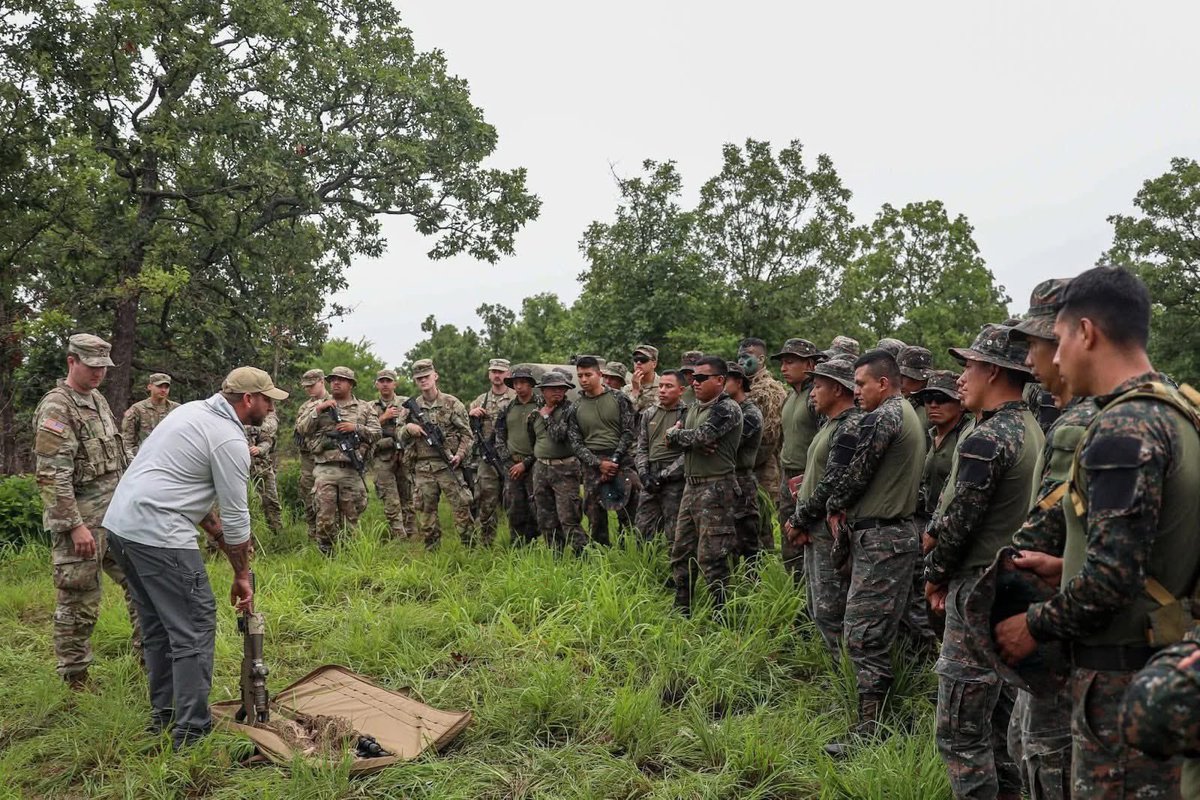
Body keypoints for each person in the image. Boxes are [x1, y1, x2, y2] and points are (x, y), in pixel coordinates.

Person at [994, 267, 1198, 799]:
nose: (1054, 358)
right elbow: (1159, 548)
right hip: (1163, 669)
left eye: (1058, 339)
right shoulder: (1178, 410)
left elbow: (1112, 581)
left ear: (1086, 333)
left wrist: (1032, 624)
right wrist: (1066, 565)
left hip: (1122, 683)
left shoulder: (1123, 429)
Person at [104, 366, 286, 749]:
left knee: (158, 628)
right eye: (267, 399)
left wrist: (216, 536)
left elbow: (182, 485)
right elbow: (237, 517)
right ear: (248, 399)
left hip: (122, 529)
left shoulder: (190, 412)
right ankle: (191, 734)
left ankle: (165, 717)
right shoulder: (228, 439)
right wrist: (241, 574)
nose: (271, 407)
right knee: (194, 626)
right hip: (159, 535)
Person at [920, 323, 1044, 798]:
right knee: (998, 725)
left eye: (968, 366)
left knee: (959, 731)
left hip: (976, 588)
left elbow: (960, 523)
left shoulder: (988, 437)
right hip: (1010, 586)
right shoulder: (1030, 428)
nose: (960, 377)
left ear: (993, 371)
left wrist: (935, 576)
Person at [1003, 277, 1094, 800]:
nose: (1030, 359)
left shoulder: (1082, 423)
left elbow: (1045, 529)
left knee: (1047, 753)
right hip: (1068, 601)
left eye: (1037, 343)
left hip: (1066, 619)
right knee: (1029, 745)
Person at [822, 349, 925, 758]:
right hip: (890, 535)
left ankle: (871, 729)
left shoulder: (884, 416)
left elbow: (856, 473)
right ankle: (888, 715)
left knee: (864, 635)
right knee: (883, 630)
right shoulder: (906, 412)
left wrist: (833, 503)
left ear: (883, 383)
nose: (856, 391)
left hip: (883, 538)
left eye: (861, 384)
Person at [34, 333, 141, 689]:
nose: (98, 373)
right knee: (79, 602)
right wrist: (74, 526)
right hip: (82, 526)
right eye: (92, 366)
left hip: (115, 520)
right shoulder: (57, 407)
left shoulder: (97, 400)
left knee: (141, 585)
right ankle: (74, 680)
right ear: (72, 361)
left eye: (103, 367)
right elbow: (51, 475)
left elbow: (116, 459)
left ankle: (149, 659)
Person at [783, 356, 861, 658]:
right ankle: (834, 669)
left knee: (832, 610)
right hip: (815, 525)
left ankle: (845, 675)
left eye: (818, 386)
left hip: (827, 529)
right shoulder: (831, 424)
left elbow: (833, 483)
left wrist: (799, 519)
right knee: (818, 605)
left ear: (838, 389)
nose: (812, 393)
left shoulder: (850, 427)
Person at [667, 356, 743, 615]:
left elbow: (703, 435)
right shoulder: (693, 409)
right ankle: (682, 609)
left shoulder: (727, 408)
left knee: (713, 556)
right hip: (691, 487)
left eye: (701, 378)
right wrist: (684, 439)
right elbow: (681, 440)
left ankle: (722, 615)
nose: (694, 382)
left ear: (720, 380)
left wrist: (680, 436)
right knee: (681, 551)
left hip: (716, 488)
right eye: (693, 378)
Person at [294, 366, 379, 553]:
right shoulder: (317, 405)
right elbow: (301, 430)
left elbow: (376, 433)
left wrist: (355, 428)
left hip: (351, 469)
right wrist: (318, 410)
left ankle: (350, 556)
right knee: (325, 517)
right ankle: (327, 555)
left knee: (351, 518)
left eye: (341, 380)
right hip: (325, 469)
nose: (336, 383)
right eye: (332, 380)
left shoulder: (364, 408)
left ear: (351, 384)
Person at [400, 359, 475, 549]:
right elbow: (398, 434)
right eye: (419, 378)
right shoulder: (410, 407)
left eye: (426, 376)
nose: (423, 380)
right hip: (423, 466)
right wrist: (408, 428)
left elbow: (467, 434)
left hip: (449, 465)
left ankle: (471, 549)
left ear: (435, 376)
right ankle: (432, 551)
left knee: (462, 508)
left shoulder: (452, 403)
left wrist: (460, 455)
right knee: (426, 512)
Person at [567, 355, 637, 545]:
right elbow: (576, 443)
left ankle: (630, 552)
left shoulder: (619, 398)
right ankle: (601, 553)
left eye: (588, 375)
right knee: (594, 516)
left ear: (599, 374)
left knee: (629, 513)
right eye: (580, 375)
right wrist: (598, 464)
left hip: (621, 460)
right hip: (592, 464)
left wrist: (614, 460)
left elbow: (629, 431)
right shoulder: (575, 407)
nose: (583, 379)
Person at [772, 337, 823, 581]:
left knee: (810, 538)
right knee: (789, 539)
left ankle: (810, 595)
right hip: (787, 476)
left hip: (809, 478)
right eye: (782, 362)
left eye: (790, 362)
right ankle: (794, 592)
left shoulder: (816, 397)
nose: (783, 368)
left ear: (810, 364)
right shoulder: (790, 396)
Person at [528, 370, 587, 553]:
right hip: (541, 468)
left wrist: (546, 416)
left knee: (569, 517)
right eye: (552, 388)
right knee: (545, 517)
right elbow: (532, 439)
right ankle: (555, 557)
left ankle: (583, 556)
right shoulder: (535, 413)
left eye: (561, 388)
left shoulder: (570, 410)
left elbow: (559, 435)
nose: (558, 391)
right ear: (542, 391)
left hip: (565, 468)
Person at [737, 338, 788, 536]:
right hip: (743, 468)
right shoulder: (741, 387)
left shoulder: (770, 390)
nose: (741, 361)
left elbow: (769, 437)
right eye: (739, 357)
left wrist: (744, 462)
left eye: (747, 356)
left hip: (763, 469)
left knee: (761, 526)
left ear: (761, 359)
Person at [634, 370, 686, 542]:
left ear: (681, 390)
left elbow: (688, 454)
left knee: (674, 531)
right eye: (661, 385)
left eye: (669, 386)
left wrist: (665, 475)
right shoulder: (649, 413)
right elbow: (642, 447)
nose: (662, 390)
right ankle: (644, 558)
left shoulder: (687, 414)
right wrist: (644, 474)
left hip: (675, 479)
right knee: (642, 528)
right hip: (650, 475)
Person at [469, 359, 516, 547]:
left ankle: (518, 543)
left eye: (501, 372)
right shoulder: (480, 401)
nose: (497, 375)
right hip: (488, 459)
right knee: (486, 502)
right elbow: (468, 430)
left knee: (515, 502)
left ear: (508, 374)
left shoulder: (515, 397)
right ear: (489, 374)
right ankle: (486, 544)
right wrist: (472, 415)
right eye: (494, 371)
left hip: (512, 457)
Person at [494, 364, 541, 545]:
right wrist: (508, 462)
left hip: (536, 464)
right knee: (514, 506)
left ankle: (540, 542)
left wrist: (526, 463)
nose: (519, 386)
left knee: (537, 505)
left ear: (530, 384)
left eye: (522, 382)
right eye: (515, 383)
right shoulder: (507, 408)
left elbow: (544, 441)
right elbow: (499, 436)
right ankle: (518, 544)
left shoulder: (541, 406)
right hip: (512, 466)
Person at [724, 361, 763, 563]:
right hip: (725, 480)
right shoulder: (724, 409)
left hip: (742, 481)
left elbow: (727, 445)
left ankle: (751, 581)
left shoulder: (750, 413)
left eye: (725, 379)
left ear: (738, 383)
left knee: (747, 540)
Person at [372, 368, 414, 539]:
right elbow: (364, 430)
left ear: (394, 384)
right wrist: (383, 417)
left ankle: (411, 533)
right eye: (381, 381)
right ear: (376, 384)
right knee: (390, 499)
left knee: (408, 496)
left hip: (404, 455)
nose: (385, 384)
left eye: (388, 381)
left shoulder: (406, 403)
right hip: (382, 457)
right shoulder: (370, 407)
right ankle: (398, 536)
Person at [293, 369, 327, 539]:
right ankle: (313, 533)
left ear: (322, 381)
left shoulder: (335, 401)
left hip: (329, 458)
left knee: (328, 496)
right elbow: (300, 430)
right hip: (309, 459)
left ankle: (330, 534)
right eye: (306, 386)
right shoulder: (305, 407)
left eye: (312, 385)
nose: (309, 389)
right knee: (308, 495)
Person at [121, 373, 179, 462]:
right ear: (150, 387)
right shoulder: (137, 409)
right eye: (159, 386)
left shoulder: (177, 409)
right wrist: (132, 461)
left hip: (170, 459)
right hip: (144, 459)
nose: (163, 390)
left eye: (166, 387)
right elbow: (127, 441)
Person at [244, 410, 282, 535]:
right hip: (234, 471)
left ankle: (278, 536)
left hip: (260, 468)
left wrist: (260, 449)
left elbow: (267, 439)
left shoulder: (256, 416)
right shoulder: (224, 418)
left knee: (271, 504)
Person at [897, 346, 934, 441]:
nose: (899, 382)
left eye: (904, 376)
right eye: (898, 375)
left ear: (922, 379)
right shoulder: (903, 403)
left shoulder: (934, 408)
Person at [627, 344, 661, 413]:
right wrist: (635, 391)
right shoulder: (627, 388)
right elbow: (626, 414)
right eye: (636, 359)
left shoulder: (663, 386)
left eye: (643, 359)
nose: (638, 363)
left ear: (654, 364)